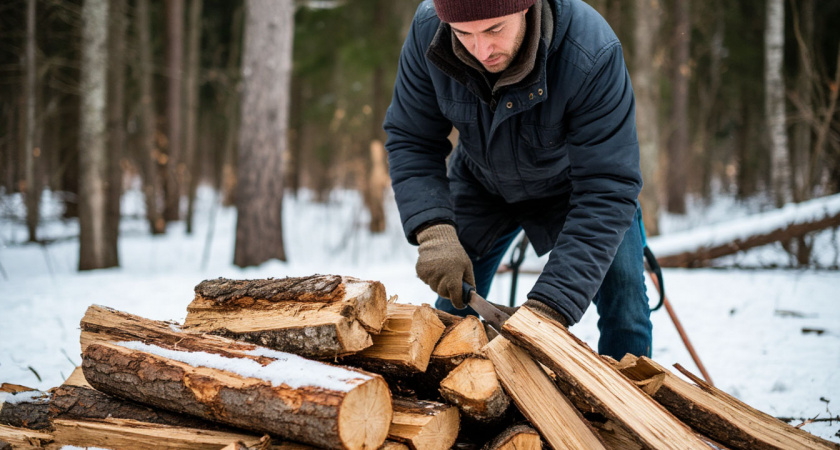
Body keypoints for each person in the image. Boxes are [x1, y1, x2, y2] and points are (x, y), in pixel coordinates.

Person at [383, 0, 652, 359]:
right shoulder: (429, 30)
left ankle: (626, 409)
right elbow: (412, 138)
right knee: (452, 315)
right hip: (483, 183)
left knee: (626, 304)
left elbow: (607, 185)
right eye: (463, 34)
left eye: (494, 29)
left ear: (527, 7)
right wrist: (433, 230)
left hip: (575, 190)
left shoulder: (590, 51)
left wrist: (550, 306)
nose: (481, 50)